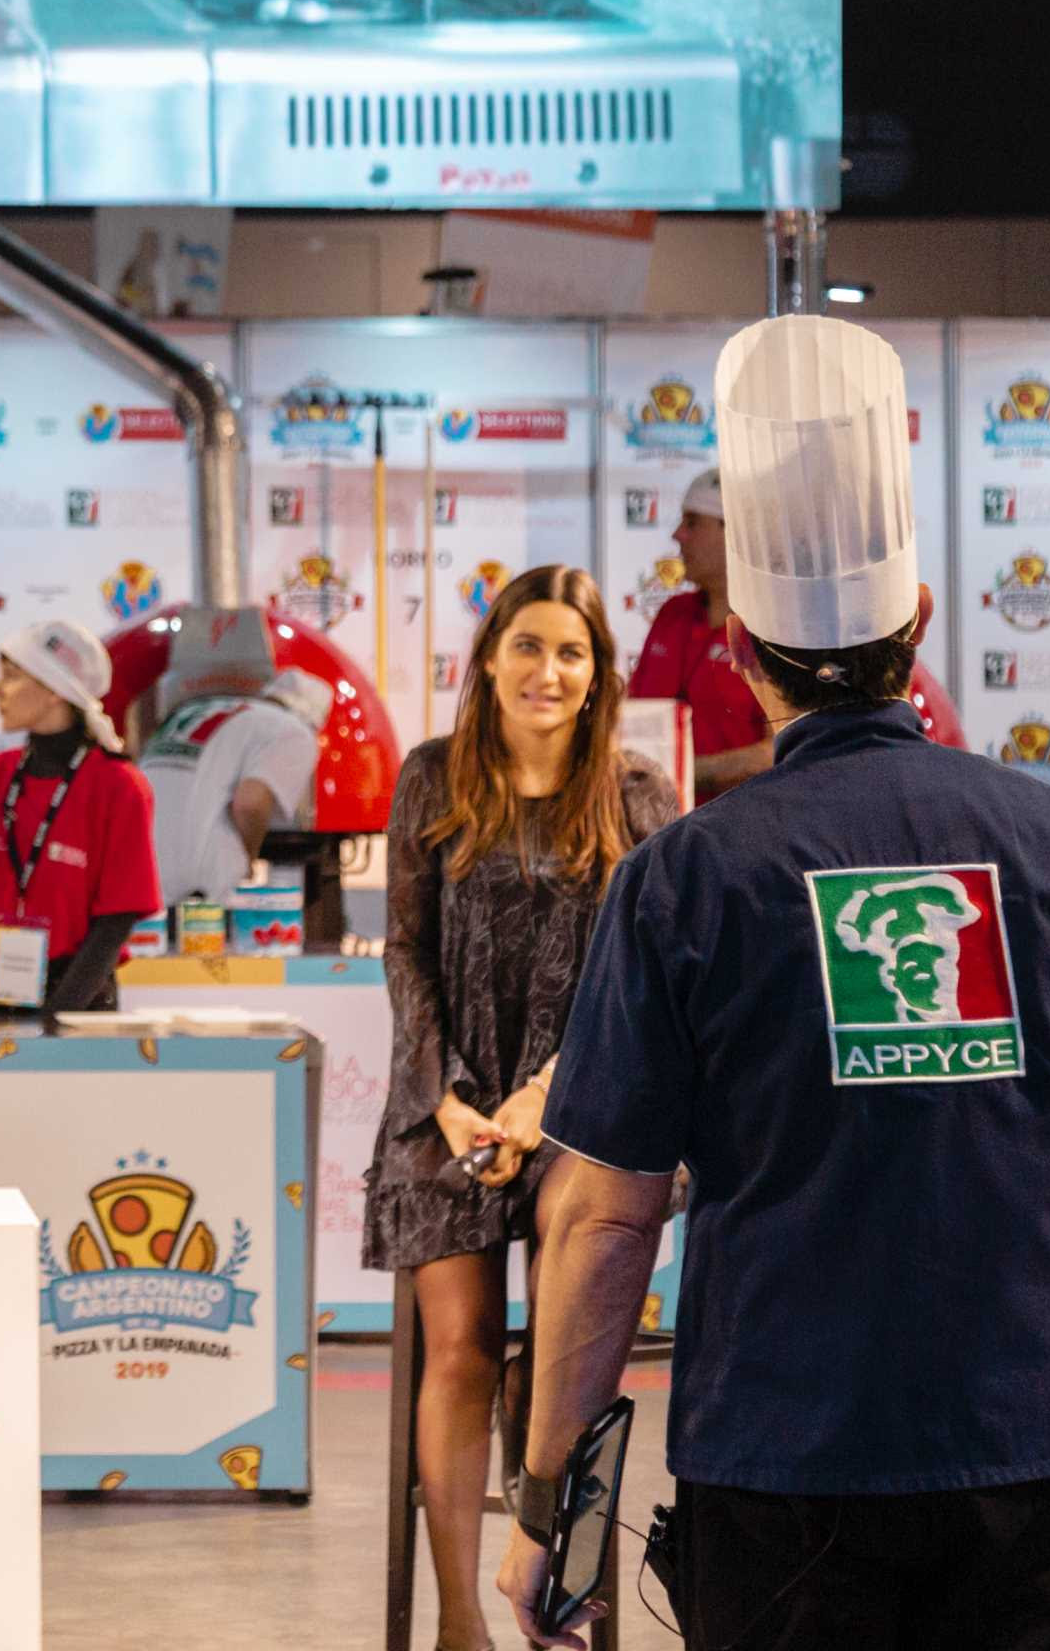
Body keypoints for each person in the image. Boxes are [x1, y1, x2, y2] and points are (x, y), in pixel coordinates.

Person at [495, 318, 1050, 1651]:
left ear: (736, 651)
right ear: (915, 624)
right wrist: (1022, 1069)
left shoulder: (684, 880)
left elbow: (603, 1221)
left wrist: (547, 1495)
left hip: (791, 1462)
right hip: (1041, 1451)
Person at [368, 566, 674, 1651]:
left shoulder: (637, 796)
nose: (548, 672)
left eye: (571, 654)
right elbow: (404, 950)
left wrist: (548, 1098)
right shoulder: (428, 780)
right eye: (529, 647)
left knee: (562, 1352)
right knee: (456, 1346)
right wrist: (446, 1101)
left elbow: (643, 983)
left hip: (583, 1112)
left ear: (597, 678)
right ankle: (460, 1622)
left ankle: (562, 1599)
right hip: (443, 1106)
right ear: (489, 659)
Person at [631, 465, 966, 797]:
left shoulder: (790, 628)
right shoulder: (672, 616)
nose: (677, 535)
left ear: (735, 535)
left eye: (692, 522)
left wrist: (670, 772)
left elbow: (799, 750)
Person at [0, 617, 157, 1027]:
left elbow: (116, 919)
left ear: (55, 691)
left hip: (80, 1003)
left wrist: (56, 1023)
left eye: (12, 677)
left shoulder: (118, 786)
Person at [139, 664, 326, 912]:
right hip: (196, 885)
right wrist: (249, 856)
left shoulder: (196, 709)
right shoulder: (292, 730)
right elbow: (250, 803)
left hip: (135, 872)